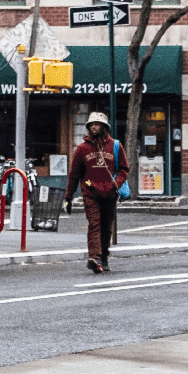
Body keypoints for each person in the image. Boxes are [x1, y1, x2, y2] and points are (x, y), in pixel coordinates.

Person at [64, 112, 129, 273]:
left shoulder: (115, 146)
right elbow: (74, 174)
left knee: (106, 227)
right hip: (90, 192)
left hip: (110, 193)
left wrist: (116, 184)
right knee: (94, 224)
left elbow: (123, 169)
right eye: (91, 124)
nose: (94, 127)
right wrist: (68, 197)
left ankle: (104, 257)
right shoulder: (82, 149)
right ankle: (95, 258)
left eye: (97, 124)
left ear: (104, 127)